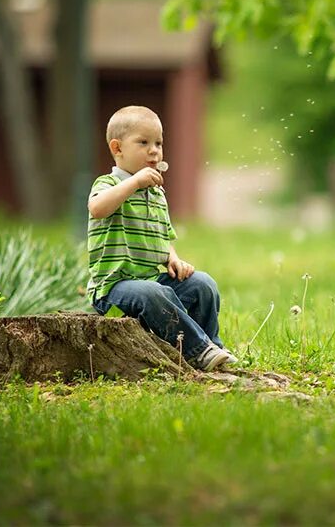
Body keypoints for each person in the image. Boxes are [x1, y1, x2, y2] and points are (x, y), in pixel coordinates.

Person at [87, 105, 238, 372]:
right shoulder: (108, 184)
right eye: (143, 143)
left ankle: (213, 347)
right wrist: (133, 183)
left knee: (203, 284)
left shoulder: (156, 193)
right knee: (153, 292)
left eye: (158, 143)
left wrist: (173, 258)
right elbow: (97, 208)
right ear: (117, 148)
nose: (154, 150)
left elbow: (163, 235)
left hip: (151, 280)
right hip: (114, 287)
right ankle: (197, 351)